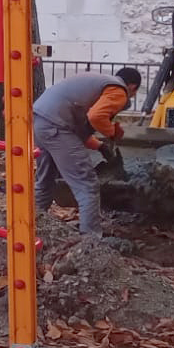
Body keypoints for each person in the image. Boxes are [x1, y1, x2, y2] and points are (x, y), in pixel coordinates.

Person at [33, 66, 142, 235]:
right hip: (57, 127)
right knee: (87, 185)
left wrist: (100, 146)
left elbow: (78, 132)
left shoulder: (93, 88)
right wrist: (113, 131)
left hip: (40, 122)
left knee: (45, 181)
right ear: (133, 87)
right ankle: (90, 241)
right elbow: (96, 117)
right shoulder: (119, 91)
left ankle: (32, 225)